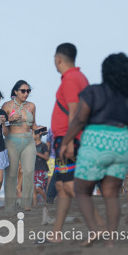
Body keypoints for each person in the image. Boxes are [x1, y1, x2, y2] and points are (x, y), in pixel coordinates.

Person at [60, 53, 128, 247]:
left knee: (82, 190)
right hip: (122, 142)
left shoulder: (93, 92)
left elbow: (80, 118)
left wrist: (66, 140)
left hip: (96, 140)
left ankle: (96, 230)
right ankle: (111, 241)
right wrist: (120, 144)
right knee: (111, 194)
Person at [48, 43, 90, 240]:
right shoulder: (78, 77)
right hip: (66, 138)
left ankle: (98, 226)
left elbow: (74, 111)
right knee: (62, 187)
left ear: (58, 59)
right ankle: (56, 233)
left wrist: (69, 141)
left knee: (71, 187)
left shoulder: (71, 79)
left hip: (68, 139)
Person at [2, 80, 37, 211]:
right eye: (23, 91)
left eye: (28, 91)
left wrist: (39, 129)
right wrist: (9, 119)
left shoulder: (32, 106)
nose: (26, 93)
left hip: (28, 140)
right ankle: (10, 205)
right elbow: (1, 124)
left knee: (28, 171)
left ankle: (25, 203)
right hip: (12, 139)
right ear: (16, 91)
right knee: (11, 173)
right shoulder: (7, 105)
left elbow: (33, 125)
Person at [33, 129, 50, 206]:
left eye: (33, 134)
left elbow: (46, 157)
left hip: (42, 169)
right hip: (33, 169)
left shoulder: (43, 145)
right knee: (33, 189)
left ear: (38, 135)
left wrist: (37, 153)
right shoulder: (31, 146)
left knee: (38, 188)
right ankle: (35, 205)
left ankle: (46, 200)